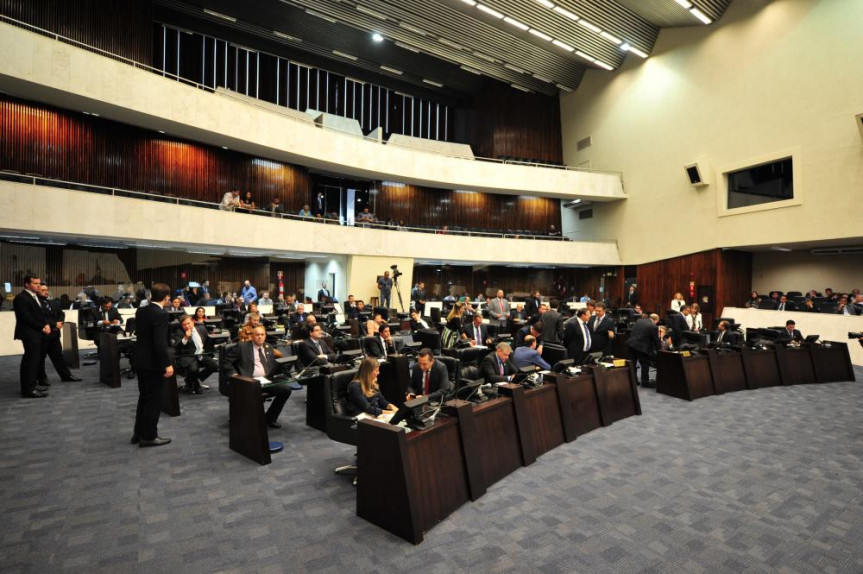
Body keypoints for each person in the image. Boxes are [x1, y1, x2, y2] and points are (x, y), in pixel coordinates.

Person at [222, 325, 291, 429]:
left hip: (266, 380)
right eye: (257, 334)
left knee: (286, 390)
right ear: (252, 336)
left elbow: (272, 365)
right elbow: (226, 362)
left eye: (262, 334)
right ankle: (246, 418)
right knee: (255, 395)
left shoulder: (268, 347)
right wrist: (234, 374)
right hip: (249, 380)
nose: (260, 337)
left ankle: (270, 418)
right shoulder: (242, 347)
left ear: (265, 336)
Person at [131, 282, 174, 446]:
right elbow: (159, 343)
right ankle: (149, 436)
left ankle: (138, 433)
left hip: (140, 360)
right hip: (153, 363)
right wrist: (167, 364)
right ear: (166, 297)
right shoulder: (161, 314)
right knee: (154, 401)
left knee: (144, 398)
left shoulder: (141, 311)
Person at [14, 276, 53, 398]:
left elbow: (39, 314)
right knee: (30, 361)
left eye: (39, 283)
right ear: (26, 284)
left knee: (34, 360)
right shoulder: (21, 298)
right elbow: (26, 317)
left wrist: (46, 324)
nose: (38, 286)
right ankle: (28, 389)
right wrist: (42, 327)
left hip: (36, 333)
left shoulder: (34, 296)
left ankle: (31, 385)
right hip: (29, 334)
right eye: (35, 283)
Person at [38, 283, 81, 385]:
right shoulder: (36, 303)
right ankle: (42, 379)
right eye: (43, 290)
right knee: (40, 359)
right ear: (37, 291)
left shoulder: (52, 302)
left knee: (58, 357)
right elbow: (39, 318)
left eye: (47, 289)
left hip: (54, 335)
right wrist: (54, 324)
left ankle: (66, 376)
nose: (46, 291)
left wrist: (60, 323)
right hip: (42, 335)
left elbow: (62, 314)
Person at [174, 315, 218, 394]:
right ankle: (195, 382)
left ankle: (194, 379)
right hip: (188, 356)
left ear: (193, 322)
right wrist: (186, 338)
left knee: (214, 366)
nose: (187, 326)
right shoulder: (179, 332)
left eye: (188, 323)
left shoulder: (201, 328)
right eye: (184, 324)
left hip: (201, 354)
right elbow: (177, 347)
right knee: (193, 369)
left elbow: (207, 341)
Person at [626, 313, 662, 388]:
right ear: (655, 320)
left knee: (632, 364)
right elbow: (656, 340)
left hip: (631, 345)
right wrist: (660, 350)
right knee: (645, 364)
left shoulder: (639, 321)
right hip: (642, 348)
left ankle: (633, 381)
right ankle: (645, 382)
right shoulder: (653, 326)